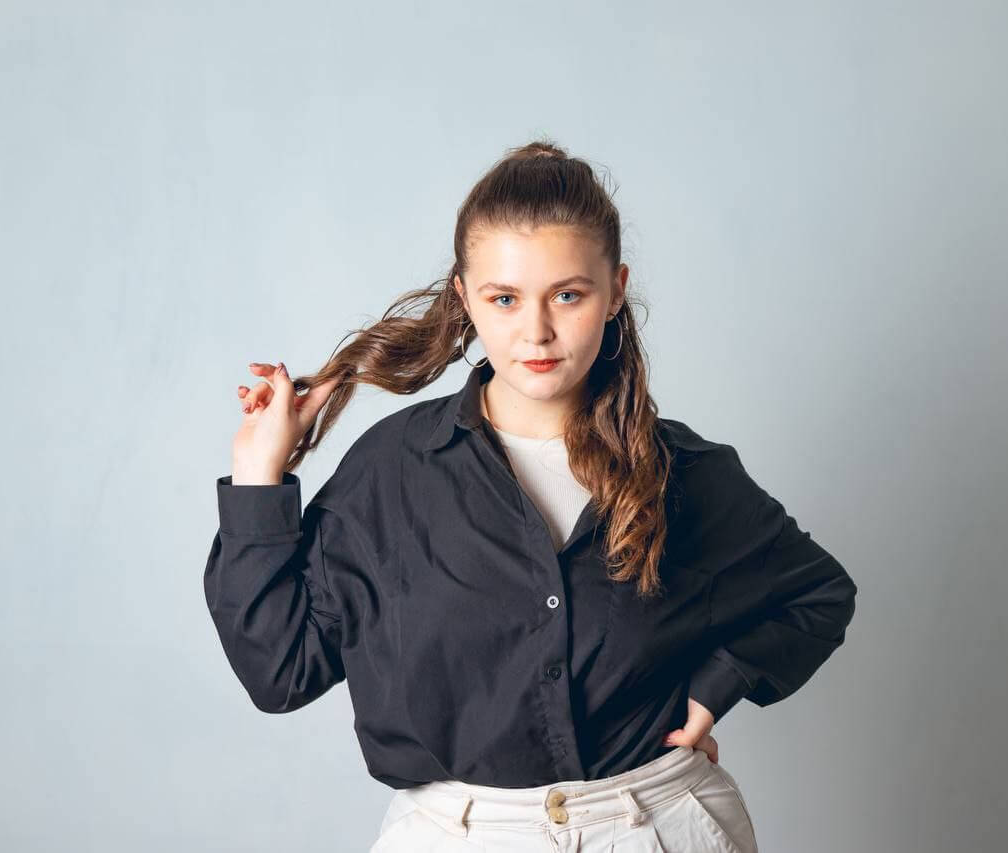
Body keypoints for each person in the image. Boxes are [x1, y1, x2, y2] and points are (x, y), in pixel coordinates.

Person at [204, 140, 858, 852]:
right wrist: (258, 474)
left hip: (653, 825)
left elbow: (818, 595)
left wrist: (716, 687)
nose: (537, 332)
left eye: (568, 295)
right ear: (465, 297)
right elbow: (280, 671)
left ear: (615, 291)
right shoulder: (390, 472)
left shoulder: (686, 473)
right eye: (505, 298)